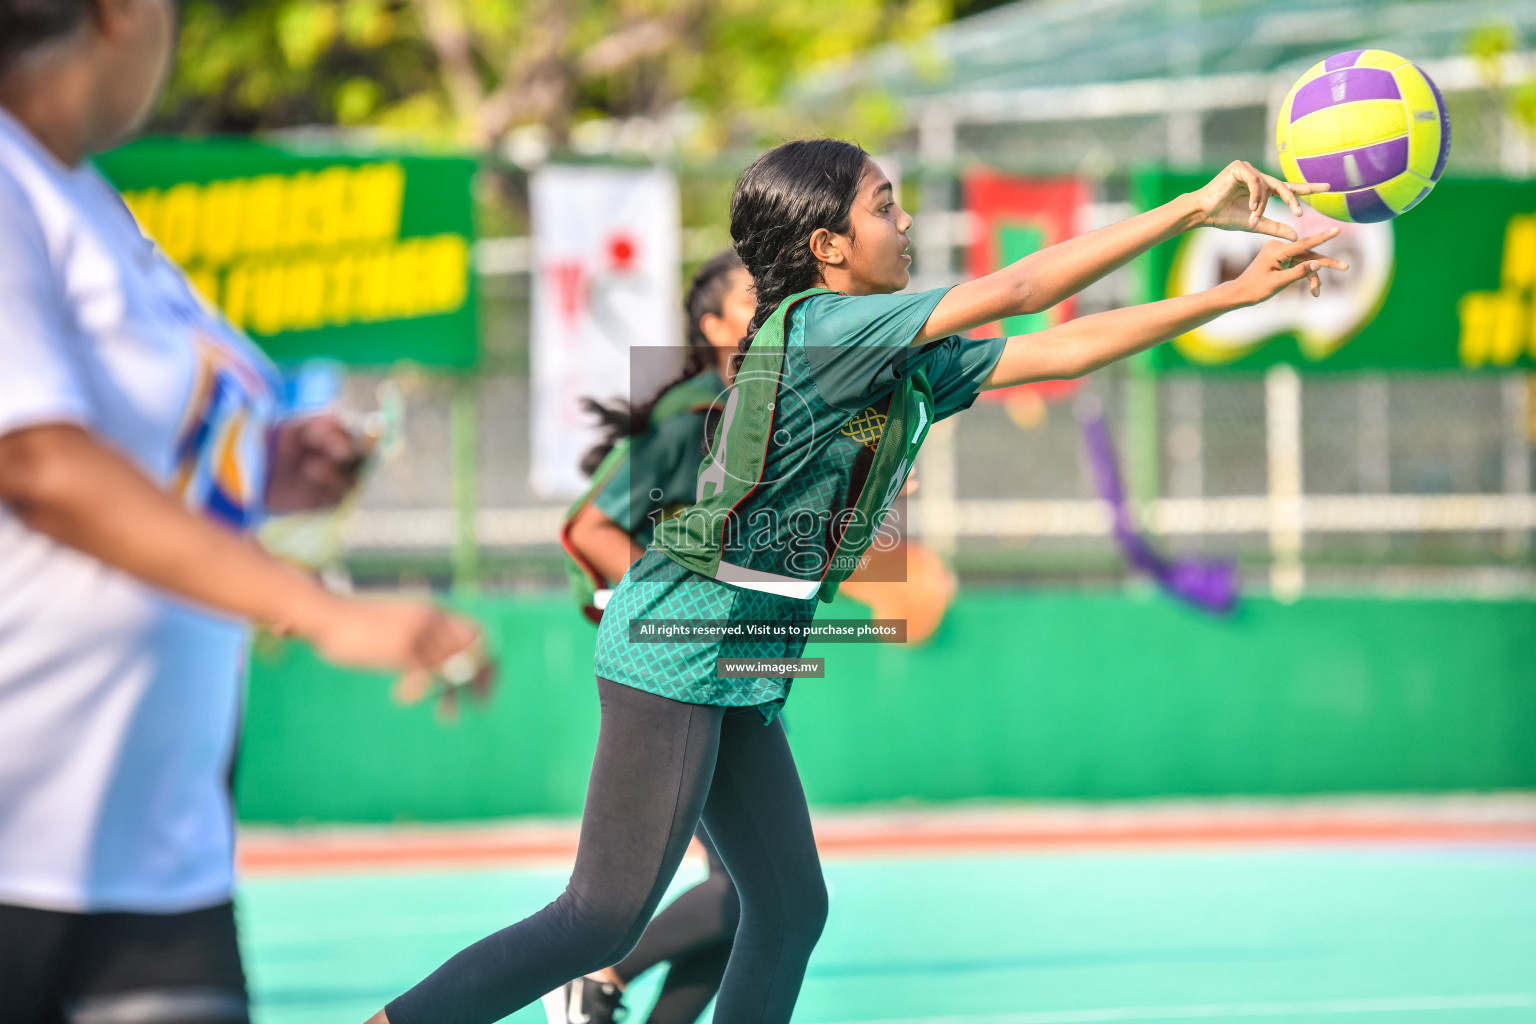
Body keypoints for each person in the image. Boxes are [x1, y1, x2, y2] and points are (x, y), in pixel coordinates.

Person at [373, 140, 1343, 1024]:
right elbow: (1024, 287)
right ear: (830, 245)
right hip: (684, 639)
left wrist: (1230, 295)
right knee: (599, 919)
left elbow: (1059, 343)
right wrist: (1190, 210)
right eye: (888, 206)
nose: (908, 221)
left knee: (790, 909)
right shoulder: (827, 328)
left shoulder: (892, 351)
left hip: (746, 652)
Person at [0, 2, 488, 1022]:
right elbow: (37, 462)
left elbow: (124, 443)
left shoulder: (86, 197)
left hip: (155, 852)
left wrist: (262, 462)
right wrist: (322, 610)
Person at [546, 250, 752, 1024]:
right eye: (753, 297)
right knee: (747, 890)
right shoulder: (700, 414)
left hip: (725, 662)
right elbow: (587, 526)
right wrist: (675, 607)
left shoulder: (759, 409)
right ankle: (597, 973)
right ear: (713, 326)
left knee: (750, 893)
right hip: (678, 666)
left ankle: (600, 981)